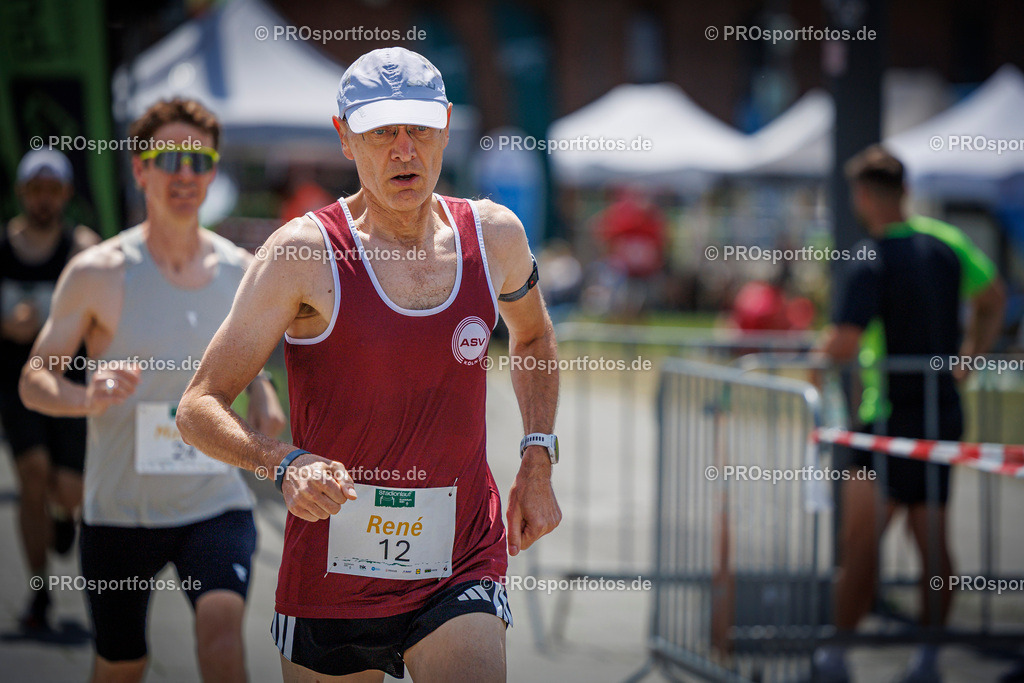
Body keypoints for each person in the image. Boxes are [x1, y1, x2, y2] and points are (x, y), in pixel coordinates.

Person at [176, 47, 562, 682]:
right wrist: (284, 463)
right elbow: (198, 406)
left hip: (460, 556)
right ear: (345, 137)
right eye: (383, 131)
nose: (404, 150)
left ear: (445, 128)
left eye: (419, 129)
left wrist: (537, 457)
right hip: (333, 568)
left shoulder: (495, 238)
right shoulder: (302, 254)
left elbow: (535, 339)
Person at [19, 98, 286, 683]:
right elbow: (35, 378)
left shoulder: (242, 272)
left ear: (213, 172)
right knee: (122, 665)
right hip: (119, 512)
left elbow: (247, 363)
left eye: (199, 159)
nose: (185, 173)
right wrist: (86, 397)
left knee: (220, 640)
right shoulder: (99, 272)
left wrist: (263, 392)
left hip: (212, 502)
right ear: (140, 169)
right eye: (169, 158)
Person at [816, 145, 1005, 683]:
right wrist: (970, 357)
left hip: (884, 420)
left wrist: (814, 366)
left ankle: (836, 654)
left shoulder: (870, 256)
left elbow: (844, 343)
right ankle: (928, 655)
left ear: (862, 197)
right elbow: (993, 295)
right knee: (932, 543)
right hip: (940, 413)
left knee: (861, 545)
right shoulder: (947, 241)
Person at [1, 148, 99, 630]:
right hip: (16, 384)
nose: (43, 199)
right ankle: (39, 592)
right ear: (22, 193)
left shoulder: (81, 248)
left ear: (65, 194)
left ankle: (64, 516)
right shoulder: (3, 246)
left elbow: (105, 307)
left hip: (69, 383)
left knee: (70, 489)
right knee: (32, 475)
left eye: (52, 189)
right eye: (35, 189)